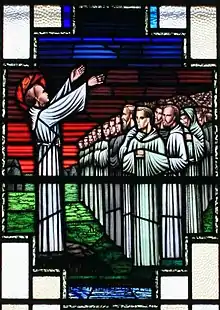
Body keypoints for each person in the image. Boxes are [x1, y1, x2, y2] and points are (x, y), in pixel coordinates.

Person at [16, 66, 104, 257]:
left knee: (52, 198)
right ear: (36, 98)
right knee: (50, 198)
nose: (47, 91)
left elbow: (57, 104)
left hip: (49, 158)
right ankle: (50, 246)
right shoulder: (44, 116)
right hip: (48, 160)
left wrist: (71, 81)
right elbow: (62, 107)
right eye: (43, 91)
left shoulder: (40, 113)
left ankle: (52, 243)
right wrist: (86, 86)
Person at [121, 106, 169, 266]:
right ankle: (139, 260)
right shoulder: (134, 140)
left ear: (148, 119)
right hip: (137, 187)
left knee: (151, 221)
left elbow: (163, 162)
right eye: (136, 118)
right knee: (138, 221)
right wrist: (134, 155)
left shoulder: (157, 140)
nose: (137, 121)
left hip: (152, 190)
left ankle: (152, 260)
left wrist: (147, 155)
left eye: (141, 118)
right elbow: (125, 162)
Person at [161, 105, 188, 260]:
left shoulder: (177, 135)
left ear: (175, 117)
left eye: (168, 115)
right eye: (164, 115)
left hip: (174, 182)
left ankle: (174, 252)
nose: (165, 118)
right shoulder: (172, 133)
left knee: (173, 215)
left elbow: (183, 160)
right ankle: (169, 251)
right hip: (168, 180)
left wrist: (164, 162)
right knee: (167, 215)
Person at [180, 107, 205, 233]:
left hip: (193, 169)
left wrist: (191, 139)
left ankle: (194, 229)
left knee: (193, 198)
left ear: (191, 118)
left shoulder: (197, 131)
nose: (183, 121)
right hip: (183, 170)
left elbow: (202, 150)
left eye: (185, 118)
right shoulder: (180, 131)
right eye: (181, 118)